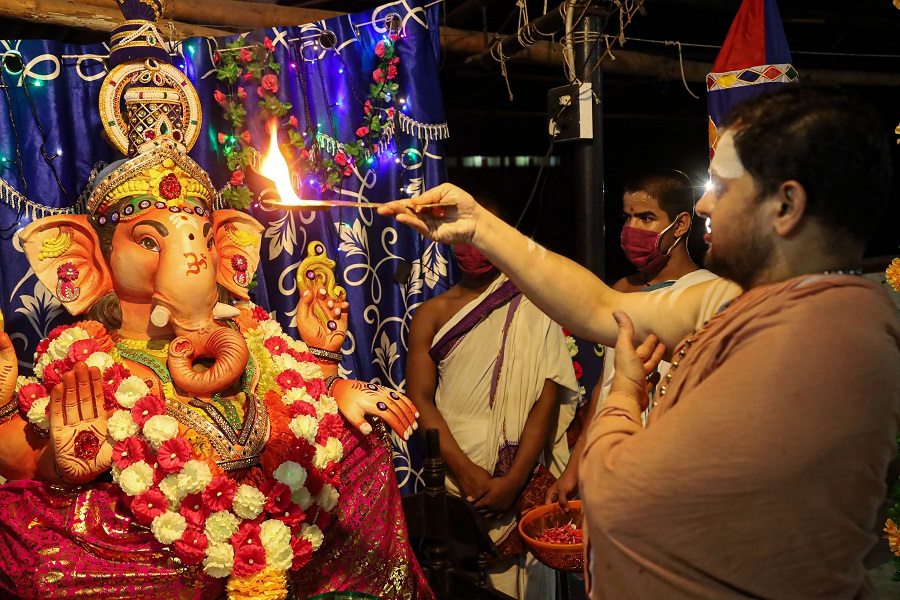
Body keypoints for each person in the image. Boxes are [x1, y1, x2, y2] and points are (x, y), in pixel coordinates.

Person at [380, 84, 900, 599]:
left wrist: (624, 395)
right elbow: (603, 309)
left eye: (722, 186)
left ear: (786, 205)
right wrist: (482, 228)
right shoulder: (742, 298)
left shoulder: (819, 339)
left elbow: (621, 496)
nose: (702, 205)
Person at [405, 199, 580, 599]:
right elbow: (420, 398)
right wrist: (466, 472)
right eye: (460, 236)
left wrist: (515, 480)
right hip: (453, 475)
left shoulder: (536, 300)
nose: (470, 248)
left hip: (521, 478)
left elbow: (545, 399)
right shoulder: (432, 313)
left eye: (477, 235)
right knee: (459, 585)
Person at [546, 170, 718, 508]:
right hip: (613, 449)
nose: (632, 229)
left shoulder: (706, 293)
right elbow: (605, 388)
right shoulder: (620, 292)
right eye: (628, 217)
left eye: (647, 217)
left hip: (671, 464)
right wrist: (574, 466)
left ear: (681, 224)